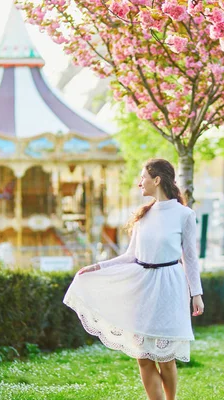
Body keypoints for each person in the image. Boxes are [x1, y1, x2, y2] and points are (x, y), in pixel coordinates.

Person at [63, 158, 205, 400]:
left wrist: (196, 294)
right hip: (142, 287)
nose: (140, 183)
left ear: (157, 180)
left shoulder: (184, 215)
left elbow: (190, 258)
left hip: (169, 286)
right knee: (143, 357)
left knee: (166, 358)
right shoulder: (143, 215)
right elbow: (131, 256)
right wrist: (97, 266)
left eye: (143, 178)